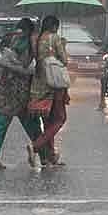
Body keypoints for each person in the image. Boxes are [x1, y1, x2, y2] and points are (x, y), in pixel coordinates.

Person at [0, 18, 46, 170]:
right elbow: (31, 63)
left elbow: (3, 52)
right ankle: (44, 155)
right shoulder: (30, 41)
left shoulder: (10, 39)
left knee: (0, 122)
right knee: (31, 123)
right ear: (31, 30)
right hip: (21, 89)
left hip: (5, 86)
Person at [27, 15, 69, 167]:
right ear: (54, 27)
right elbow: (64, 61)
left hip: (38, 84)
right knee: (60, 118)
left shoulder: (35, 39)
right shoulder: (55, 38)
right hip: (54, 84)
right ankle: (36, 146)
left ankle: (50, 156)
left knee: (48, 121)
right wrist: (63, 45)